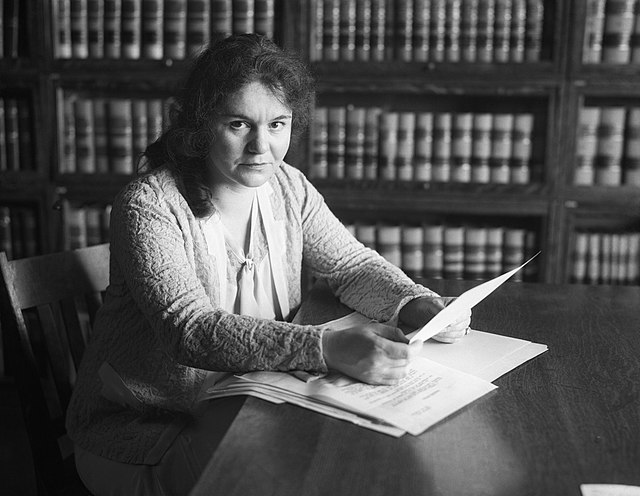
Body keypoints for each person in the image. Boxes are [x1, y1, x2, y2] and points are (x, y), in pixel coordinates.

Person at [66, 33, 471, 495]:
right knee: (314, 473)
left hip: (254, 403)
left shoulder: (289, 187)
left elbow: (351, 266)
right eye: (239, 124)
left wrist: (412, 304)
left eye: (277, 124)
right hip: (149, 428)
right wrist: (326, 348)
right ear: (199, 125)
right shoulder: (149, 204)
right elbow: (189, 329)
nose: (262, 146)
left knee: (354, 455)